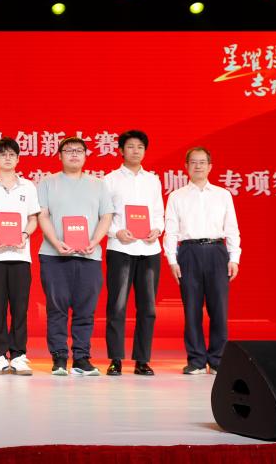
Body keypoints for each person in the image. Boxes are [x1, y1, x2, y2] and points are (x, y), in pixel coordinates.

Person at [37, 136, 114, 377]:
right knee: (56, 309)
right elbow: (42, 215)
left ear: (86, 155)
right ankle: (59, 357)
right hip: (54, 255)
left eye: (79, 150)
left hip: (89, 256)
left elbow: (106, 216)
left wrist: (94, 241)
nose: (74, 154)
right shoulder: (47, 183)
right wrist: (56, 242)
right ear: (59, 155)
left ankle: (81, 358)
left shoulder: (98, 184)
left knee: (85, 310)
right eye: (68, 150)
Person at [164, 146, 241, 375]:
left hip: (217, 251)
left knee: (219, 310)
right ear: (186, 167)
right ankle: (196, 360)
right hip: (188, 252)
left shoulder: (222, 195)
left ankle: (217, 360)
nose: (198, 166)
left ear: (210, 167)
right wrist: (172, 260)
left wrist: (234, 257)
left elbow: (232, 228)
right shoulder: (177, 196)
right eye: (193, 162)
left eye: (202, 162)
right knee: (192, 309)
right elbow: (171, 230)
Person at [0, 137, 40, 376]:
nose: (8, 158)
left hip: (21, 255)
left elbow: (33, 219)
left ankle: (19, 355)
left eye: (12, 154)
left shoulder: (28, 187)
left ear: (18, 158)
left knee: (20, 308)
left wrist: (24, 234)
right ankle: (0, 355)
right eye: (3, 154)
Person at [102, 130, 165, 377]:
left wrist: (157, 229)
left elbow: (158, 212)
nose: (135, 151)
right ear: (120, 150)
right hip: (120, 248)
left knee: (148, 307)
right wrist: (116, 232)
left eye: (140, 147)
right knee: (117, 306)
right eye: (130, 146)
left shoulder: (153, 180)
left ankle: (142, 360)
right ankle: (115, 359)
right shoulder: (110, 180)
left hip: (149, 249)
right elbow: (104, 215)